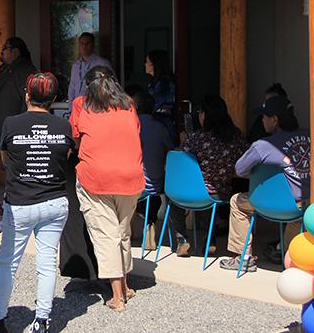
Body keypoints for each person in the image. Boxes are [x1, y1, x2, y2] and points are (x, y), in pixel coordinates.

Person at [0, 72, 73, 333]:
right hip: (55, 201)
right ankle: (41, 320)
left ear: (27, 95)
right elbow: (66, 157)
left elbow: (5, 160)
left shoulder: (12, 123)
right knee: (47, 261)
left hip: (20, 203)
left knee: (8, 262)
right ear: (53, 98)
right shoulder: (64, 126)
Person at [70, 66, 144, 312]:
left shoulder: (82, 104)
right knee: (123, 233)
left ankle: (117, 297)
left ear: (87, 84)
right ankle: (125, 285)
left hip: (96, 177)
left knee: (107, 236)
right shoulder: (129, 104)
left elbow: (77, 138)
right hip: (131, 176)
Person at [221, 96, 311, 272]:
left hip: (272, 204)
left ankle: (244, 258)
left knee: (237, 202)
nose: (262, 120)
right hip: (306, 204)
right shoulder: (309, 135)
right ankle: (290, 256)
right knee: (296, 215)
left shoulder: (263, 145)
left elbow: (240, 169)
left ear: (275, 120)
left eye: (264, 117)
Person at [170, 95, 249, 256]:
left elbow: (180, 162)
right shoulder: (236, 135)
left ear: (205, 115)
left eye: (200, 112)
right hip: (223, 192)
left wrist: (182, 141)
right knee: (210, 202)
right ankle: (209, 238)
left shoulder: (196, 138)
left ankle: (182, 238)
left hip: (196, 193)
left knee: (174, 198)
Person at [133, 92, 172, 250]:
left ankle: (131, 229)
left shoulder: (129, 127)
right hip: (154, 185)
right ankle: (150, 223)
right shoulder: (160, 128)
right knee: (154, 196)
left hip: (131, 186)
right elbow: (171, 152)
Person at [0, 37, 37, 140]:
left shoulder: (25, 69)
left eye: (4, 48)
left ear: (15, 51)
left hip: (12, 129)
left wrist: (21, 124)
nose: (2, 51)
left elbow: (27, 99)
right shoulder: (5, 67)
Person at [67, 32, 113, 111]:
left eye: (87, 43)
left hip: (95, 109)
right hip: (77, 109)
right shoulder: (75, 66)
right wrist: (71, 109)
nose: (84, 46)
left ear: (93, 45)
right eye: (82, 43)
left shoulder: (102, 63)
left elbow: (112, 87)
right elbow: (72, 89)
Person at [145, 49, 177, 145]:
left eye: (147, 62)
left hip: (161, 121)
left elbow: (154, 102)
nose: (145, 64)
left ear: (154, 64)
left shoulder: (164, 82)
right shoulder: (154, 82)